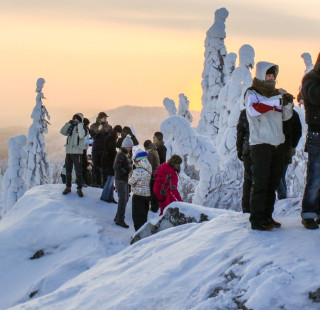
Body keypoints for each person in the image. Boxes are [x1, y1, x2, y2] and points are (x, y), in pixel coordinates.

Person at [245, 62, 293, 231]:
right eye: (268, 75)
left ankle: (267, 216)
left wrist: (287, 103)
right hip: (260, 144)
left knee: (272, 182)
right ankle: (257, 220)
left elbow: (285, 117)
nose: (271, 78)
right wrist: (276, 100)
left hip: (277, 144)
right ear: (260, 75)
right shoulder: (252, 93)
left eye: (273, 76)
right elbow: (254, 110)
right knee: (260, 183)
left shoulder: (275, 96)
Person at [300, 53, 320, 229]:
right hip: (317, 134)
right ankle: (308, 213)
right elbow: (316, 96)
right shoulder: (311, 78)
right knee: (315, 177)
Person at [276, 109, 302, 199]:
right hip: (287, 147)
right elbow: (298, 132)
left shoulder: (275, 111)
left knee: (277, 174)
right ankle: (282, 197)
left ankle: (282, 196)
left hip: (275, 146)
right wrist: (292, 145)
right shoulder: (293, 113)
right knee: (281, 174)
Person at [60, 113, 86, 197]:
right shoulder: (70, 127)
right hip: (69, 152)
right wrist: (68, 124)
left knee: (78, 172)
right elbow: (62, 131)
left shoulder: (82, 128)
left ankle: (79, 188)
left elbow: (82, 136)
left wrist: (80, 125)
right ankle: (68, 187)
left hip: (77, 153)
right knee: (68, 171)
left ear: (80, 120)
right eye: (74, 118)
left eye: (77, 119)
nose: (75, 120)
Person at [113, 135, 133, 228]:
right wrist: (126, 172)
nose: (131, 148)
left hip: (124, 179)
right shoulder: (121, 154)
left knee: (125, 199)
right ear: (126, 146)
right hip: (121, 179)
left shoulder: (126, 154)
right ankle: (120, 219)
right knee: (123, 200)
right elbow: (116, 167)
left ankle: (118, 217)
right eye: (130, 146)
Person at [129, 151, 152, 231]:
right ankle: (144, 232)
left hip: (138, 195)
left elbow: (130, 181)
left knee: (137, 217)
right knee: (144, 216)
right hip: (147, 195)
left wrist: (131, 174)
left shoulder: (138, 171)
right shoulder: (149, 167)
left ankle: (138, 235)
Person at [100, 125, 122, 203]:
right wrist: (117, 154)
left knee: (111, 180)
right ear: (116, 132)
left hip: (109, 161)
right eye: (119, 133)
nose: (119, 135)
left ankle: (110, 196)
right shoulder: (111, 138)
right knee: (110, 179)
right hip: (109, 162)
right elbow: (110, 151)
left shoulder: (111, 137)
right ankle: (105, 196)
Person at [90, 112, 112, 187]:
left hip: (105, 150)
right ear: (100, 118)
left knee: (104, 168)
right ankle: (97, 182)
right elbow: (93, 136)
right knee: (96, 167)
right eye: (104, 117)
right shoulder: (93, 126)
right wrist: (99, 131)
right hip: (96, 149)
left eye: (106, 117)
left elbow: (110, 137)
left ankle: (104, 184)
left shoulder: (109, 127)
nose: (105, 119)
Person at [236, 109, 251, 213]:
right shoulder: (266, 108)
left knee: (248, 180)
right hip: (263, 150)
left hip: (247, 149)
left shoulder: (246, 112)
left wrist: (240, 150)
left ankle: (246, 208)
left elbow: (240, 133)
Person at [144, 140, 160, 212]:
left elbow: (149, 165)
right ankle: (155, 206)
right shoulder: (154, 151)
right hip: (156, 174)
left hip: (152, 175)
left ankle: (154, 207)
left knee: (152, 191)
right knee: (155, 191)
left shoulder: (150, 153)